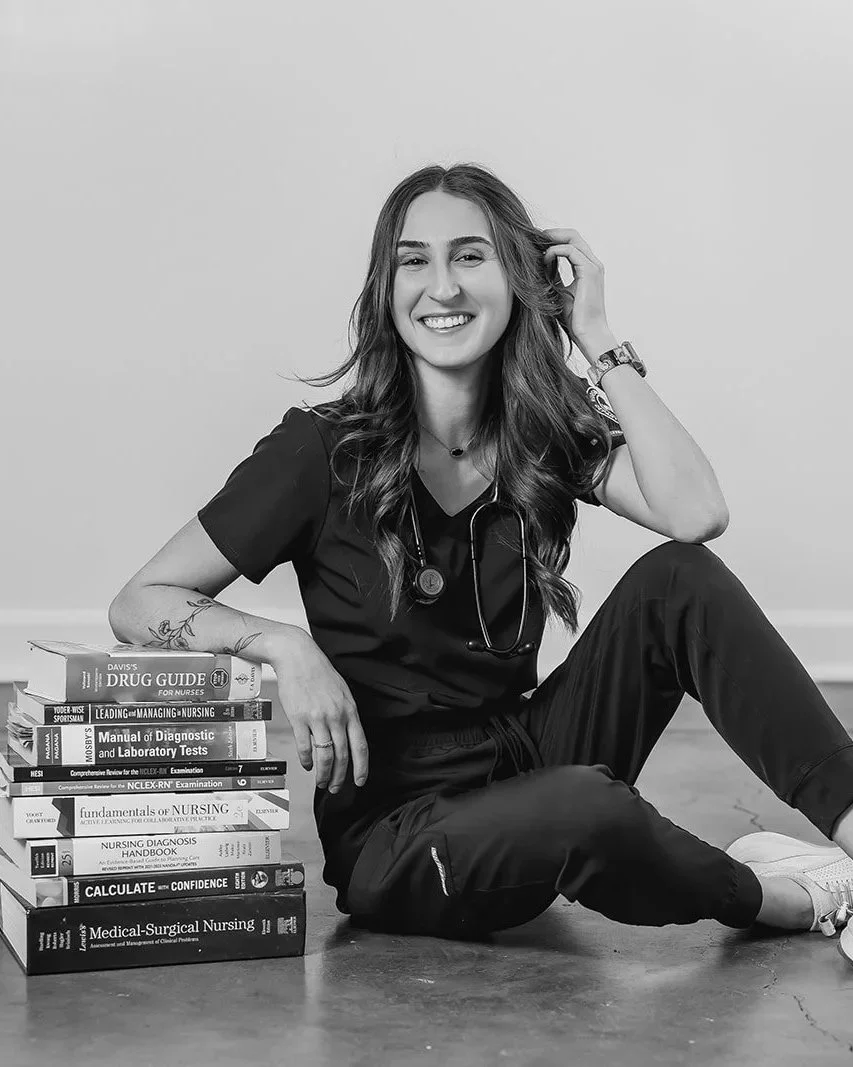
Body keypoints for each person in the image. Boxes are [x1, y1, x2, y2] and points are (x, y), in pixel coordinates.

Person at [109, 162, 853, 958]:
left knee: (679, 580)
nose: (443, 287)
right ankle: (794, 898)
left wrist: (598, 340)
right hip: (398, 832)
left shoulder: (540, 431)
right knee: (583, 804)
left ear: (516, 280)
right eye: (413, 260)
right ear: (385, 290)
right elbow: (140, 599)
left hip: (526, 749)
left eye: (470, 256)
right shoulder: (320, 451)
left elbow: (696, 515)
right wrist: (281, 644)